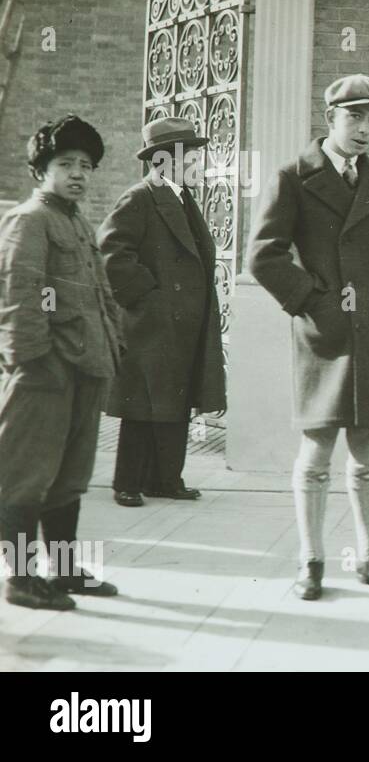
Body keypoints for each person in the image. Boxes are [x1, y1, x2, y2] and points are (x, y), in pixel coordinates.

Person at [249, 74, 369, 601]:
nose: (365, 131)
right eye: (355, 118)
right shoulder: (293, 177)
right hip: (324, 333)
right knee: (317, 447)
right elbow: (262, 255)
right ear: (330, 118)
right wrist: (312, 302)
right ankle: (311, 561)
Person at [0, 115, 122, 610]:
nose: (78, 173)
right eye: (66, 163)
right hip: (44, 372)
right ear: (40, 170)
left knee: (69, 475)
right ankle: (21, 578)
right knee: (25, 475)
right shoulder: (29, 220)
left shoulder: (75, 220)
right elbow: (17, 297)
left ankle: (66, 571)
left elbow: (100, 293)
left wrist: (113, 346)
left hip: (85, 366)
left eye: (86, 165)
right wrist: (33, 362)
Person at [98, 117, 227, 508]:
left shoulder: (183, 198)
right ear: (164, 160)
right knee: (141, 406)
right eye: (191, 156)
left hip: (183, 325)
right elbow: (110, 254)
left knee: (175, 402)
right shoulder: (140, 197)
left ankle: (166, 479)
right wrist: (151, 299)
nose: (197, 163)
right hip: (152, 326)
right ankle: (127, 483)